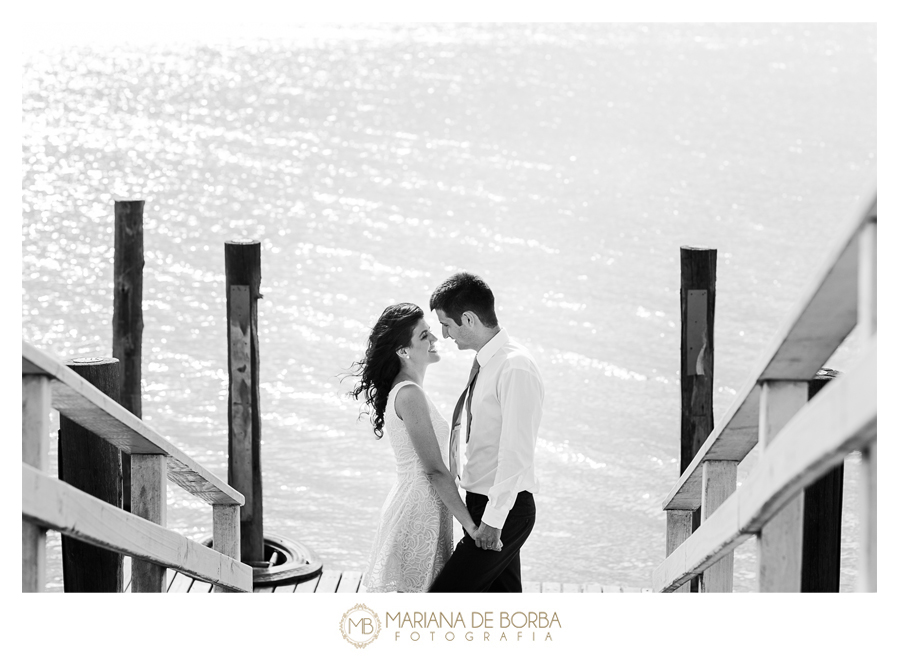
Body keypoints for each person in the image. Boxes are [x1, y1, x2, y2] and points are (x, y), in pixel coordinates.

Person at [349, 302, 490, 593]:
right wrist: (471, 527)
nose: (436, 339)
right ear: (403, 351)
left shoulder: (409, 392)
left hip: (425, 507)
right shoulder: (410, 394)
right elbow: (435, 471)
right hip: (416, 512)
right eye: (425, 335)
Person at [427, 272, 544, 592]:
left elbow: (516, 453)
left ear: (468, 319)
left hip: (503, 509)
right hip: (481, 503)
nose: (444, 335)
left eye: (446, 324)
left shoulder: (514, 367)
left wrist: (493, 519)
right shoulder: (488, 361)